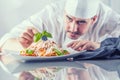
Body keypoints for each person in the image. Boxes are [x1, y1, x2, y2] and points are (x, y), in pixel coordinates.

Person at [0, 0, 120, 52]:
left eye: (81, 22)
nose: (73, 28)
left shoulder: (108, 17)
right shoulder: (51, 14)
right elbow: (4, 42)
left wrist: (101, 46)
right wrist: (29, 49)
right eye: (69, 19)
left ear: (94, 19)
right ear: (64, 13)